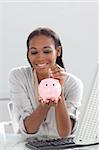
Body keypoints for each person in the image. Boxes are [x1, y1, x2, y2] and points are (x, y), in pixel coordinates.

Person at [9, 27, 83, 138]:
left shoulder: (74, 84)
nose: (40, 58)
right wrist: (44, 106)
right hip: (28, 145)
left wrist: (59, 93)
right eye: (34, 52)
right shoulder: (18, 76)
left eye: (47, 51)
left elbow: (64, 134)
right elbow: (29, 129)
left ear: (58, 51)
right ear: (28, 54)